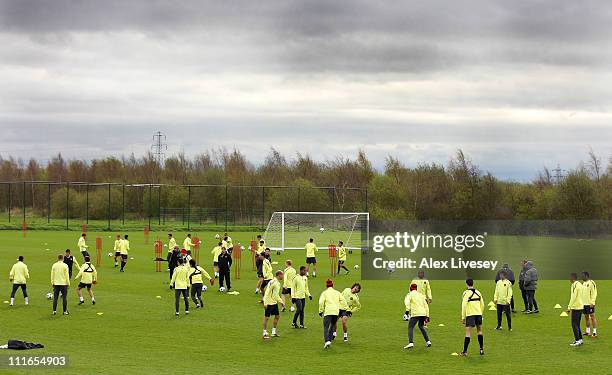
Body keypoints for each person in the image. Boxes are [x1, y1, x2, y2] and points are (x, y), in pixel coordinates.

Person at [319, 279, 347, 349]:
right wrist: (344, 309)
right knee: (333, 325)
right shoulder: (337, 292)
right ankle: (330, 340)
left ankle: (327, 341)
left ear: (326, 286)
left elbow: (321, 302)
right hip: (336, 312)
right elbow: (343, 301)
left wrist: (321, 311)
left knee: (326, 327)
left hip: (328, 312)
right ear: (332, 285)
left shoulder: (324, 293)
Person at [460, 279, 485, 356]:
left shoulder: (466, 293)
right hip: (478, 314)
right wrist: (480, 313)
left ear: (466, 284)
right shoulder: (478, 292)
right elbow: (482, 305)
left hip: (470, 314)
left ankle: (465, 351)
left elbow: (464, 305)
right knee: (479, 331)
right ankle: (481, 349)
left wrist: (463, 317)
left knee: (468, 333)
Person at [403, 283, 431, 349]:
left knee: (410, 327)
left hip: (415, 313)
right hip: (423, 313)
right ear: (416, 288)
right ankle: (428, 341)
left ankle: (411, 343)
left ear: (410, 288)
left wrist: (407, 311)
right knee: (421, 326)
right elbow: (426, 305)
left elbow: (407, 302)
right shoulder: (421, 295)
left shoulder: (409, 294)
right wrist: (427, 316)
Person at [262, 270, 285, 339]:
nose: (283, 276)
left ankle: (273, 332)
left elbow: (275, 294)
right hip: (269, 302)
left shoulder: (276, 282)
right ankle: (264, 332)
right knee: (267, 317)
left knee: (277, 316)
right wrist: (265, 302)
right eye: (282, 275)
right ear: (279, 275)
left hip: (274, 302)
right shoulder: (274, 282)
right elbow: (268, 292)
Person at [567, 273, 586, 346]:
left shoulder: (574, 285)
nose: (569, 279)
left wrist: (569, 307)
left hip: (576, 307)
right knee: (577, 324)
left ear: (573, 278)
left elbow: (573, 297)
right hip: (580, 306)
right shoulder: (580, 285)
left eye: (570, 278)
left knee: (574, 324)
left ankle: (577, 340)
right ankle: (580, 339)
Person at [581, 271, 598, 337]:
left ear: (586, 276)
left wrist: (592, 302)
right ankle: (587, 331)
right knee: (586, 317)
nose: (581, 277)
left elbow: (594, 293)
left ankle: (594, 332)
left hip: (590, 304)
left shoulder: (591, 283)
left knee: (592, 317)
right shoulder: (584, 283)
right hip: (584, 304)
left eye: (582, 276)